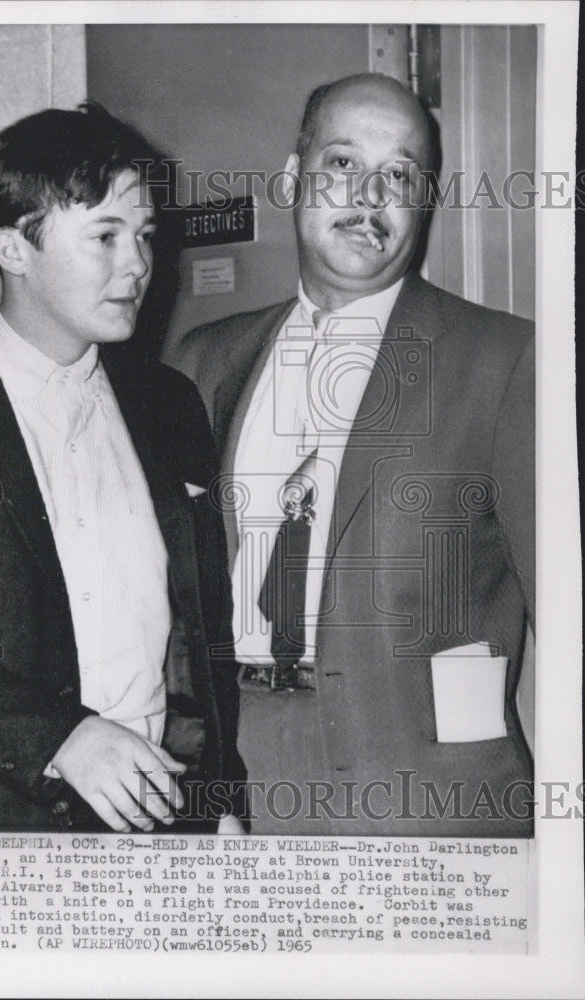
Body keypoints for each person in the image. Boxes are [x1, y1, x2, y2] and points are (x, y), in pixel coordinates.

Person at [163, 73, 534, 836]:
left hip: (428, 799)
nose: (369, 192)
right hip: (238, 784)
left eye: (398, 172)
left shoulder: (503, 359)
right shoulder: (203, 361)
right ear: (292, 178)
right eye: (341, 163)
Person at [0, 103, 245, 833]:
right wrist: (58, 737)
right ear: (16, 248)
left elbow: (199, 633)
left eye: (142, 236)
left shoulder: (168, 402)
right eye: (104, 236)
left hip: (161, 819)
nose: (138, 264)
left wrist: (216, 798)